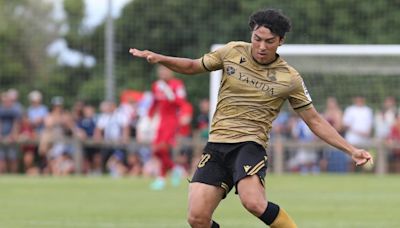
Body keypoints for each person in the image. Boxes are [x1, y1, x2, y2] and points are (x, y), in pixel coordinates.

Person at [129, 8, 373, 228]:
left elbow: (314, 120)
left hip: (249, 144)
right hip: (216, 144)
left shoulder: (290, 78)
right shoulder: (232, 51)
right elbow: (193, 66)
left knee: (253, 202)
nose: (262, 46)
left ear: (280, 41)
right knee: (197, 218)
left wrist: (351, 149)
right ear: (251, 35)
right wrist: (161, 58)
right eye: (257, 39)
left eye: (269, 41)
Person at [146, 65, 188, 190]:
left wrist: (170, 94)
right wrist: (149, 116)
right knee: (155, 150)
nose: (163, 73)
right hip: (161, 122)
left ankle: (161, 178)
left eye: (165, 70)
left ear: (171, 72)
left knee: (162, 148)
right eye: (161, 71)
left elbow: (182, 103)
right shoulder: (156, 86)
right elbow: (154, 103)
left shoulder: (177, 85)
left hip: (172, 122)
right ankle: (174, 170)